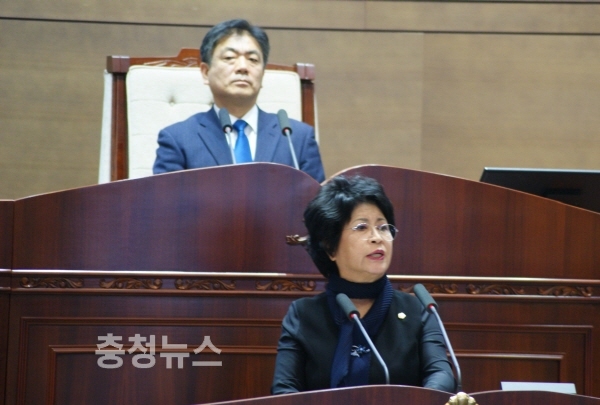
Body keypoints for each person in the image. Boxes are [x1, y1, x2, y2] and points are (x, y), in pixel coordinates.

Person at [271, 175, 456, 394]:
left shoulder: (419, 311)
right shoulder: (303, 315)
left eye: (383, 227)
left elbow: (441, 374)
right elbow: (284, 389)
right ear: (330, 247)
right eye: (361, 227)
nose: (377, 237)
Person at [152, 19, 325, 182]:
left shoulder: (296, 138)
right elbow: (165, 201)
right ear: (205, 72)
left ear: (262, 74)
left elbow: (319, 202)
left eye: (253, 60)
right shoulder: (178, 139)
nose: (243, 67)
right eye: (229, 58)